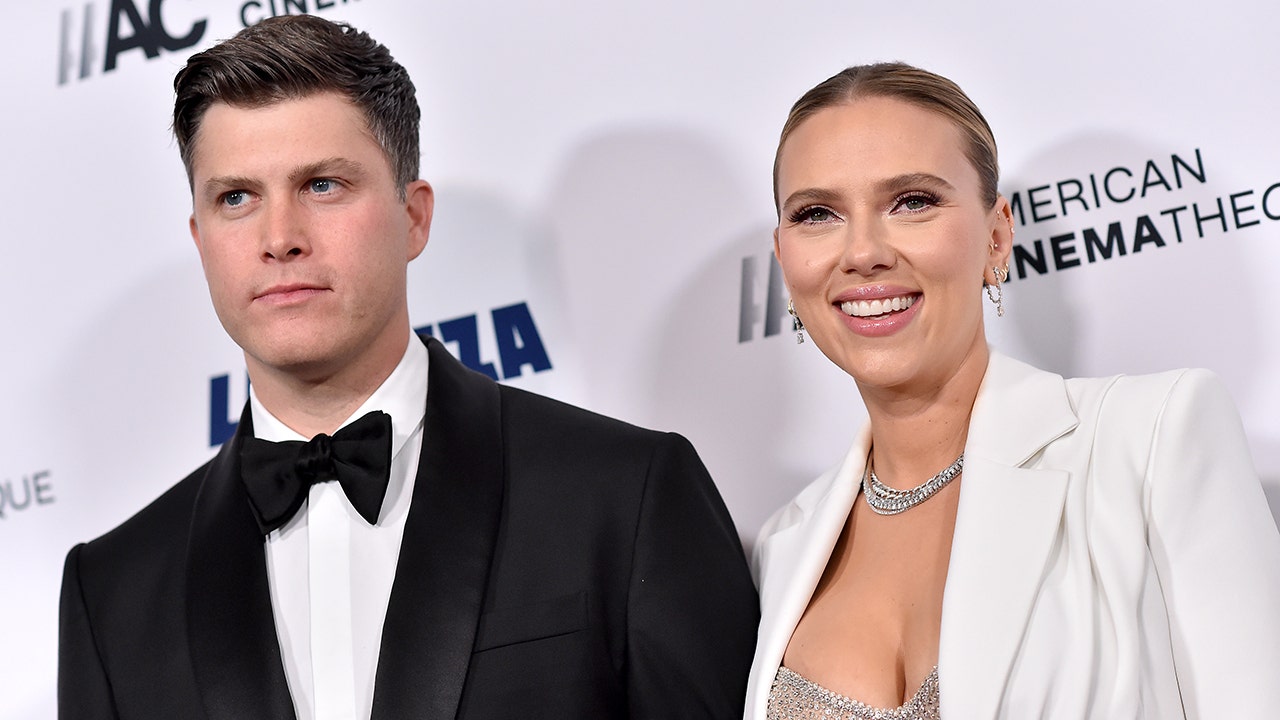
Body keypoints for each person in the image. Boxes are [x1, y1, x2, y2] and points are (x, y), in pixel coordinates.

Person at [57, 15, 758, 720]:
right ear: (200, 239)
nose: (279, 239)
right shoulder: (112, 591)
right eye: (235, 198)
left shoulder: (623, 496)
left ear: (414, 217)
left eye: (323, 185)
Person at [744, 62, 1280, 719]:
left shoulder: (1152, 440)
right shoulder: (783, 544)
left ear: (997, 236)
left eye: (912, 201)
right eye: (817, 213)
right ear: (783, 260)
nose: (863, 251)